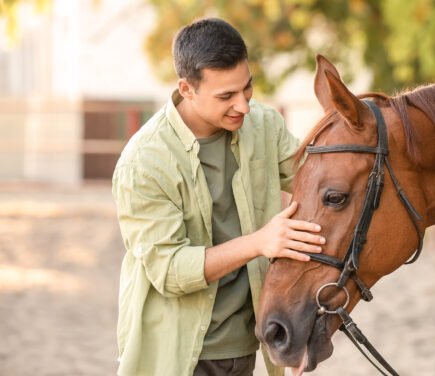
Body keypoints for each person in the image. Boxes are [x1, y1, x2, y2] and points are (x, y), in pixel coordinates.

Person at [112, 17, 325, 376]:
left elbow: (318, 181)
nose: (242, 106)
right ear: (187, 88)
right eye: (226, 96)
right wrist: (259, 242)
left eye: (247, 88)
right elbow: (170, 271)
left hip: (247, 344)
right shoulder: (143, 164)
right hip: (178, 355)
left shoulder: (264, 124)